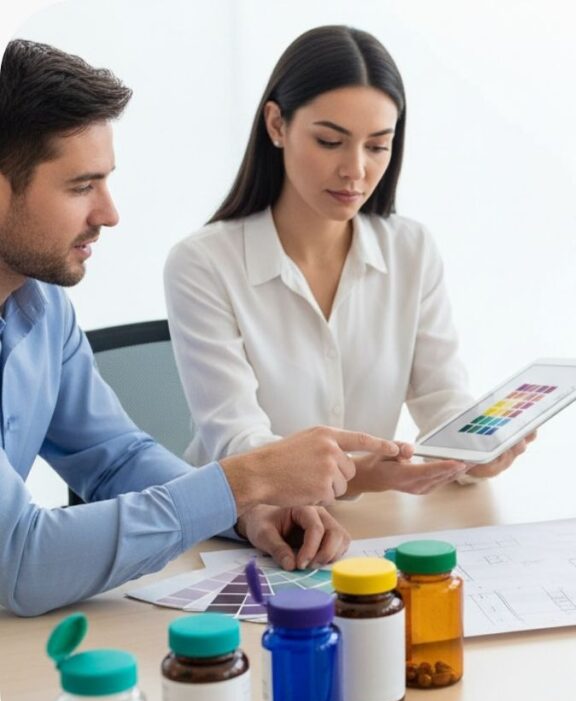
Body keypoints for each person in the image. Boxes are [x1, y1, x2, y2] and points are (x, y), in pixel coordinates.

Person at [0, 40, 403, 617]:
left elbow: (113, 457)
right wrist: (243, 481)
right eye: (81, 186)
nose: (110, 213)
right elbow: (21, 563)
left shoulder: (41, 305)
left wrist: (248, 509)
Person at [164, 25, 532, 496]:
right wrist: (364, 476)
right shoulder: (202, 263)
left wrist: (473, 453)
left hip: (371, 528)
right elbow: (240, 447)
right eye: (330, 141)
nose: (355, 170)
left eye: (377, 146)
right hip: (246, 527)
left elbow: (442, 398)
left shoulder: (411, 249)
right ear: (277, 125)